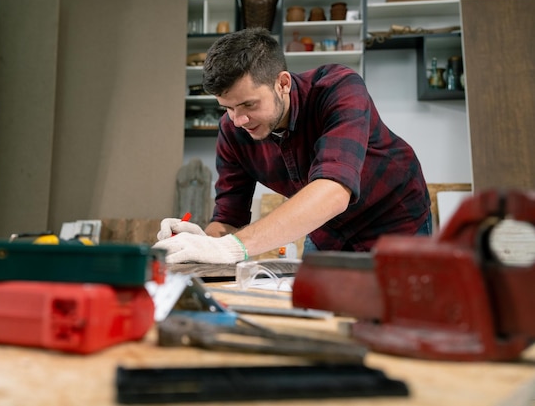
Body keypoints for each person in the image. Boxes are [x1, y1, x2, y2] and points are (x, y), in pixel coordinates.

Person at [153, 28, 431, 264]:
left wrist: (230, 247)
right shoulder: (233, 128)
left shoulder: (339, 89)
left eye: (249, 104)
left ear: (282, 84)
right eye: (227, 108)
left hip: (395, 219)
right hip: (327, 230)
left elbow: (334, 190)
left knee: (402, 315)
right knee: (319, 313)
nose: (239, 120)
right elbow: (229, 217)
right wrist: (203, 241)